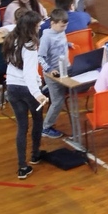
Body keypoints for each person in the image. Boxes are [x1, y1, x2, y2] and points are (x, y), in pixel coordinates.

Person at [3, 10, 49, 180]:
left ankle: (22, 166)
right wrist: (37, 93)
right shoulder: (29, 46)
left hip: (12, 87)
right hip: (28, 89)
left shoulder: (11, 38)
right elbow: (29, 74)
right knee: (37, 121)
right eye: (37, 26)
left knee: (22, 127)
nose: (39, 28)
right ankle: (35, 154)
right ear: (30, 27)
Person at [38, 8, 71, 139]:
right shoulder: (46, 37)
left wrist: (69, 44)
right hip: (53, 74)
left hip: (65, 69)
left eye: (66, 26)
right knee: (58, 101)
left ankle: (46, 89)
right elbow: (40, 57)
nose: (64, 28)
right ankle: (46, 128)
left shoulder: (61, 31)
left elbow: (59, 44)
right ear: (53, 23)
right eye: (62, 26)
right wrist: (49, 69)